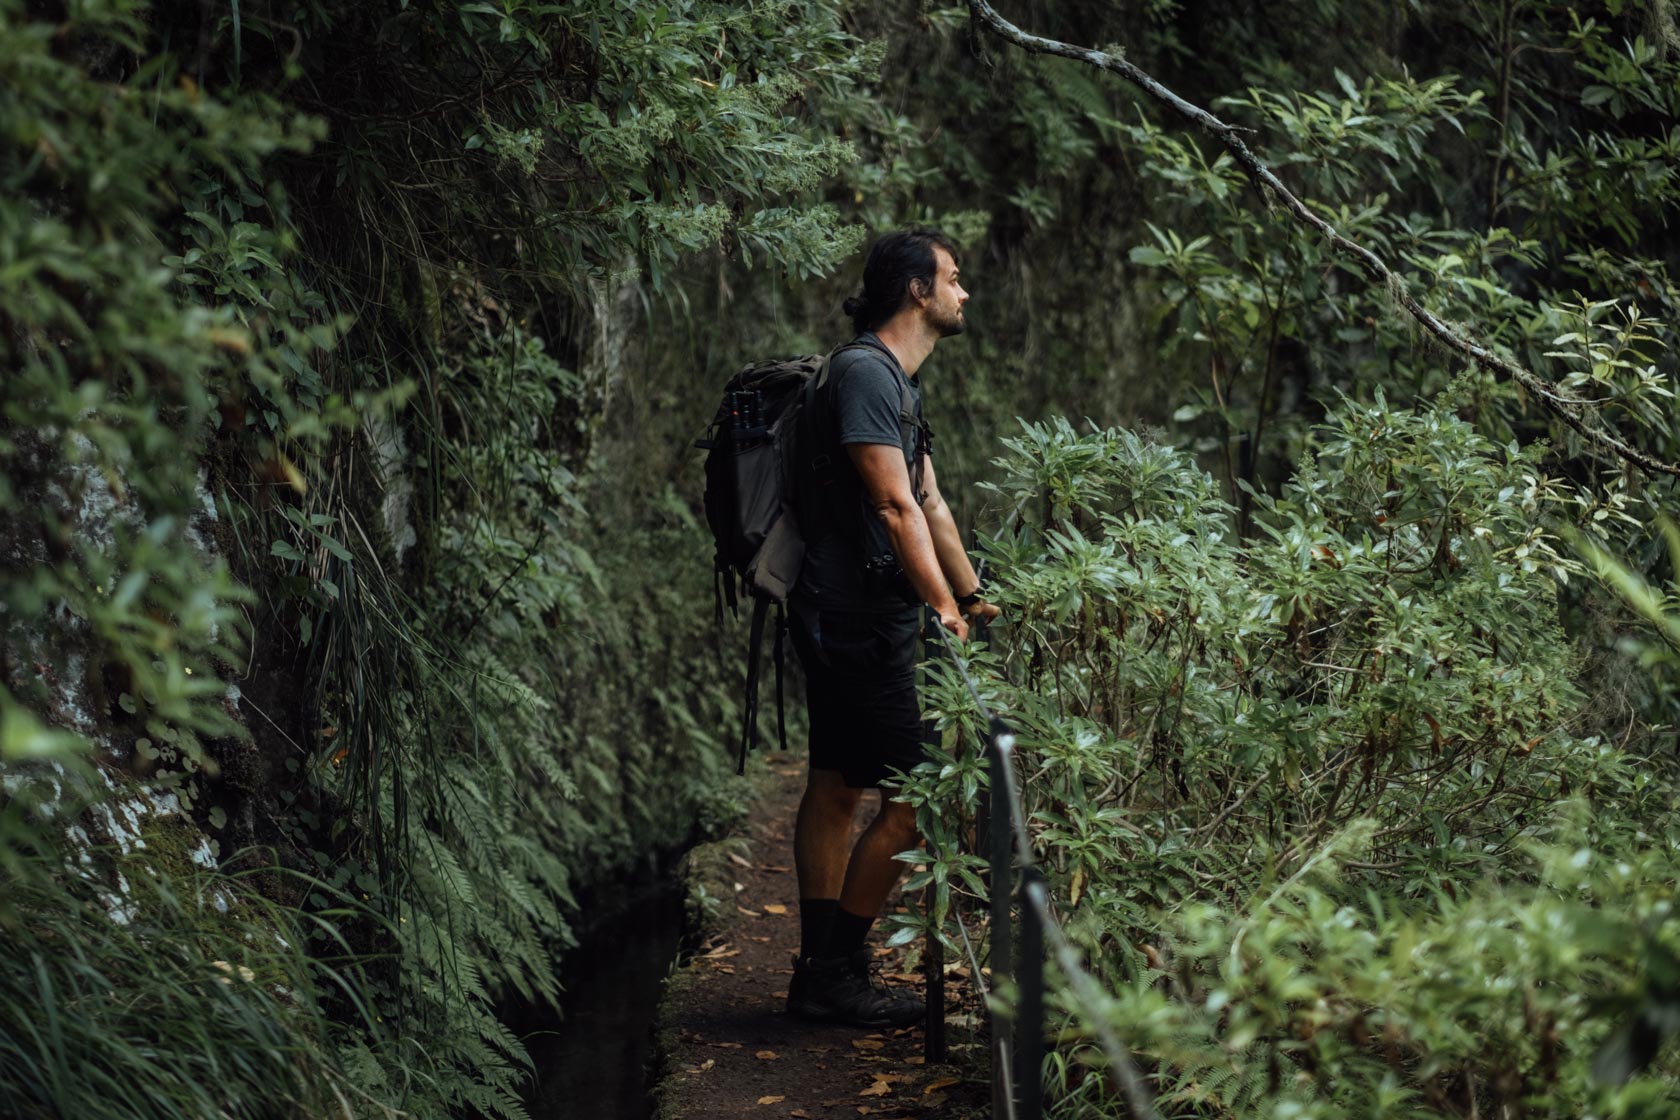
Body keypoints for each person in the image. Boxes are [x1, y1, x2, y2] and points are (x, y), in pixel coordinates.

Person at [785, 229, 1001, 1028]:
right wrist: (939, 606)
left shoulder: (894, 382)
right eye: (952, 277)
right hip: (853, 619)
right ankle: (835, 973)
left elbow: (931, 502)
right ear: (916, 290)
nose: (963, 291)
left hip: (851, 612)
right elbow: (891, 504)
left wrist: (971, 592)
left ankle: (820, 974)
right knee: (918, 799)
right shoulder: (868, 375)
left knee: (840, 785)